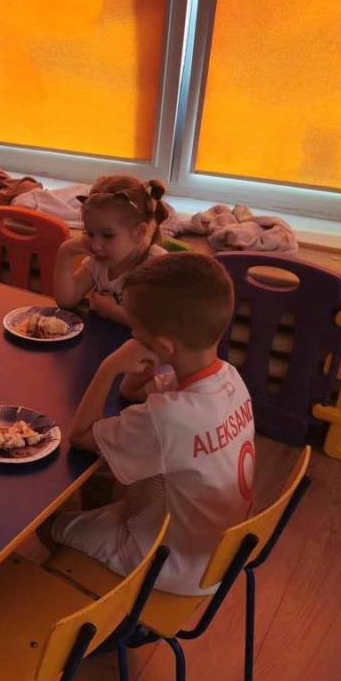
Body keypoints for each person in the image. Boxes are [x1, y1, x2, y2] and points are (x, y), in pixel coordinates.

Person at [56, 253, 255, 596]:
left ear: (163, 346)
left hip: (169, 565)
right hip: (216, 554)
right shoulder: (229, 378)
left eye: (135, 330)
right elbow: (134, 393)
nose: (131, 335)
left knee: (52, 523)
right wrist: (146, 361)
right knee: (105, 480)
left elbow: (81, 435)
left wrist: (109, 368)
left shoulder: (167, 417)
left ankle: (97, 602)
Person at [53, 175, 170, 325]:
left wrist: (113, 311)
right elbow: (66, 301)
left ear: (139, 233)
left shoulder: (157, 265)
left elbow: (157, 324)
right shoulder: (98, 262)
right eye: (90, 233)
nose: (95, 245)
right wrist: (65, 252)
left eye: (107, 235)